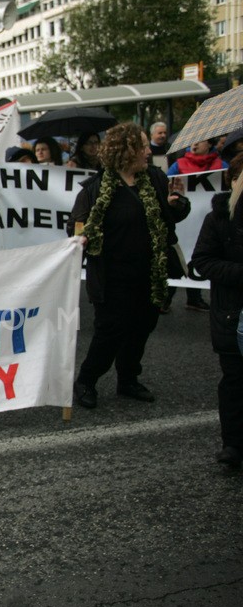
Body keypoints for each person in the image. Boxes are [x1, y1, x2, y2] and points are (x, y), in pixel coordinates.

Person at [68, 123, 190, 409]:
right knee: (110, 332)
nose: (149, 152)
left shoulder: (156, 179)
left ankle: (128, 378)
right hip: (113, 277)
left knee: (141, 328)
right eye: (143, 146)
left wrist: (177, 205)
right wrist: (82, 236)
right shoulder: (95, 190)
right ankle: (87, 379)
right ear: (126, 151)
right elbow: (75, 227)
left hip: (149, 272)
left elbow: (172, 218)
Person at [189, 153, 243, 469]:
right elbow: (203, 260)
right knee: (235, 379)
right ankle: (233, 444)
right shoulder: (220, 218)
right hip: (232, 313)